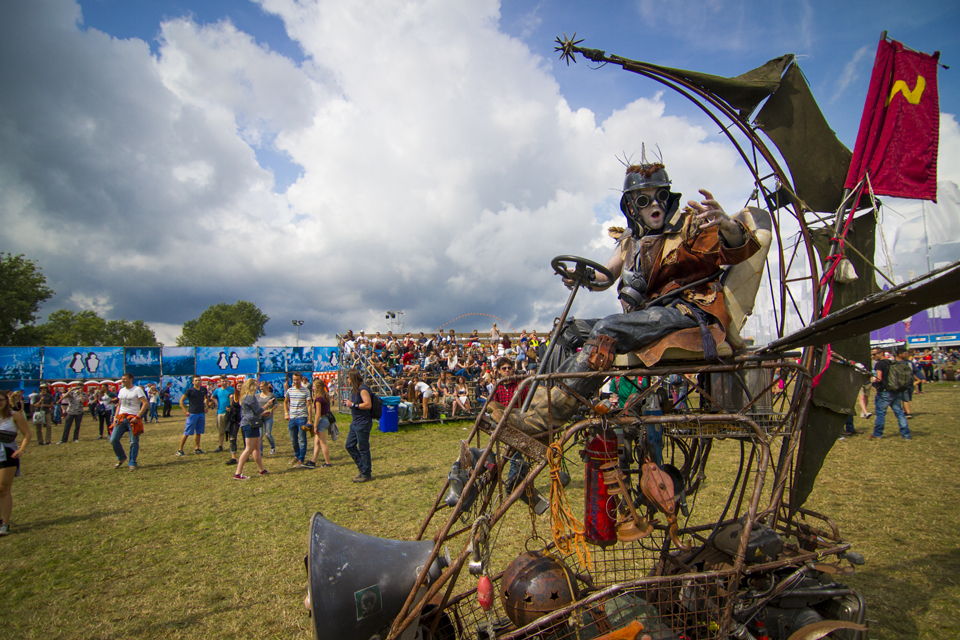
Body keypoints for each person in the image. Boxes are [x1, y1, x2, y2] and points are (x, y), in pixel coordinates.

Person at [491, 159, 760, 434]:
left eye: (661, 196)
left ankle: (542, 422)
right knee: (568, 330)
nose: (655, 205)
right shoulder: (630, 240)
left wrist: (728, 225)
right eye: (645, 200)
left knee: (608, 329)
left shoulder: (689, 226)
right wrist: (582, 276)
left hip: (686, 312)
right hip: (650, 315)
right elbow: (606, 275)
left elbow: (735, 248)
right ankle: (535, 411)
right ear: (632, 206)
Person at [0, 391, 31, 535]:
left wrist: (22, 449)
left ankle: (4, 523)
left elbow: (27, 434)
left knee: (3, 489)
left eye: (0, 400)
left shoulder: (14, 416)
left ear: (6, 401)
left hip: (7, 455)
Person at [110, 373, 149, 471]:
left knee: (133, 442)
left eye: (125, 379)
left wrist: (138, 416)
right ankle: (121, 457)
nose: (122, 381)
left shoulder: (137, 389)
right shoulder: (121, 390)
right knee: (113, 440)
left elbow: (145, 403)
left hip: (132, 418)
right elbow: (119, 404)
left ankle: (132, 462)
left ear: (131, 379)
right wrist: (115, 417)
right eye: (122, 379)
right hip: (121, 418)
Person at [870, 349, 911, 440]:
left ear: (881, 353)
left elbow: (879, 379)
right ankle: (906, 435)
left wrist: (873, 380)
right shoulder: (892, 362)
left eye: (874, 354)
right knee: (900, 413)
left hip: (885, 391)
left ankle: (877, 434)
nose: (873, 356)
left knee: (881, 413)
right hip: (896, 390)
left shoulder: (880, 364)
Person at [233, 379, 269, 480]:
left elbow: (251, 412)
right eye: (256, 385)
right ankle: (238, 472)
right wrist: (268, 404)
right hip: (250, 424)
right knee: (248, 449)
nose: (258, 387)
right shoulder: (250, 397)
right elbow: (257, 410)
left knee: (257, 447)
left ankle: (261, 469)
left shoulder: (245, 396)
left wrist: (263, 413)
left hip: (252, 422)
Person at [343, 369, 373, 482]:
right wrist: (349, 404)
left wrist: (353, 404)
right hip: (355, 422)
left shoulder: (363, 389)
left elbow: (368, 404)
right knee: (349, 445)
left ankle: (366, 473)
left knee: (363, 448)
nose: (347, 380)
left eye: (348, 378)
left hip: (363, 422)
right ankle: (362, 467)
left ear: (353, 378)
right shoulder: (356, 390)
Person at [284, 372, 313, 467]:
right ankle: (296, 455)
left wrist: (310, 419)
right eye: (294, 380)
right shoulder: (289, 391)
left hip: (302, 417)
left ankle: (301, 458)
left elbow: (309, 405)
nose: (296, 381)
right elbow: (285, 402)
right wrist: (286, 413)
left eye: (297, 380)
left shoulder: (306, 391)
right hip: (292, 418)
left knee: (302, 439)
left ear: (301, 380)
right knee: (293, 439)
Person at [177, 375, 211, 455]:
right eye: (196, 380)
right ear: (193, 382)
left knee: (198, 432)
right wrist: (185, 411)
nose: (198, 382)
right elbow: (181, 401)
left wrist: (206, 406)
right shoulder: (189, 390)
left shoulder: (203, 389)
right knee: (187, 432)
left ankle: (197, 448)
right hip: (192, 413)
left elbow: (206, 398)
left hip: (201, 413)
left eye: (199, 380)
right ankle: (180, 450)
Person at [304, 379, 333, 469]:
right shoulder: (325, 396)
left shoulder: (318, 399)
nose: (312, 388)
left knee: (322, 443)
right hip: (326, 419)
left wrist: (315, 426)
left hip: (321, 420)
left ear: (318, 387)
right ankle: (313, 461)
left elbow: (317, 414)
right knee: (316, 442)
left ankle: (327, 462)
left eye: (314, 386)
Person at [211, 376, 235, 453]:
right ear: (220, 382)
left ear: (228, 382)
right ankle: (220, 446)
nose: (224, 382)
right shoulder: (217, 391)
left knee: (231, 430)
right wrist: (215, 402)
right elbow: (212, 397)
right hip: (220, 412)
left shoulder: (232, 390)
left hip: (230, 413)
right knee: (221, 430)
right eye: (223, 381)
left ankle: (232, 445)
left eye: (225, 381)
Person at [257, 381, 278, 455]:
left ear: (266, 386)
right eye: (260, 386)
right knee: (259, 434)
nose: (261, 388)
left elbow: (276, 404)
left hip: (268, 417)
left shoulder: (271, 395)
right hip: (259, 417)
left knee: (267, 434)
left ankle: (272, 447)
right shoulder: (257, 396)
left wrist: (270, 410)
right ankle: (260, 451)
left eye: (262, 386)